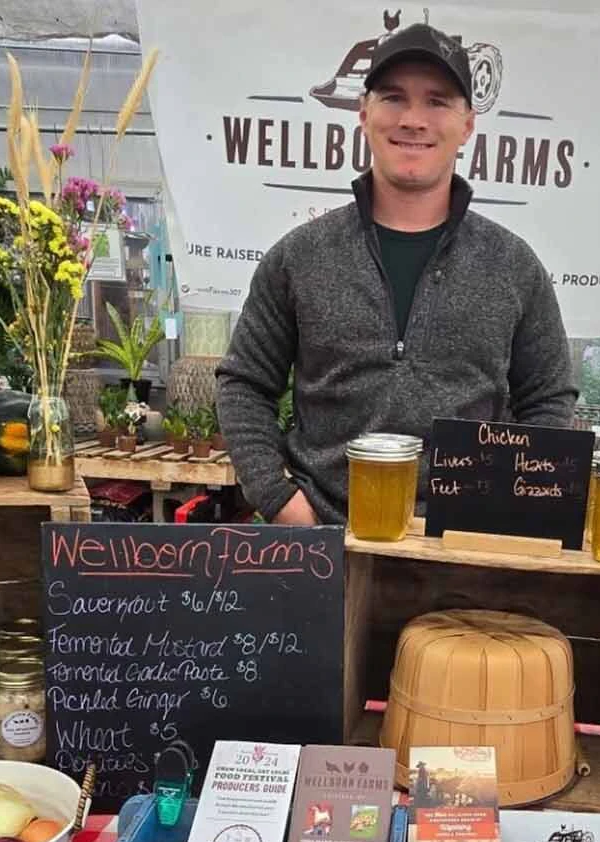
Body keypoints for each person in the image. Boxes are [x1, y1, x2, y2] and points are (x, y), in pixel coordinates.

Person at [216, 22, 577, 526]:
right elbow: (244, 384)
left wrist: (510, 510)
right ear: (364, 115)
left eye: (437, 101)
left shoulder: (513, 266)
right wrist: (279, 499)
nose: (413, 119)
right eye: (393, 98)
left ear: (467, 123)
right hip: (320, 545)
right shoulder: (298, 258)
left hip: (465, 550)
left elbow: (549, 399)